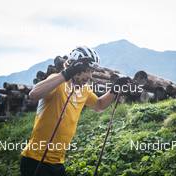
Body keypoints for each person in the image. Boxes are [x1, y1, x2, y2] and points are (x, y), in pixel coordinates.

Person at [20, 46, 130, 176]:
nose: (89, 75)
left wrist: (114, 89)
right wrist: (67, 73)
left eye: (92, 71)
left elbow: (99, 105)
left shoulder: (84, 90)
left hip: (57, 162)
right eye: (86, 70)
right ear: (74, 66)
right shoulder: (57, 80)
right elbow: (34, 94)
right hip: (35, 159)